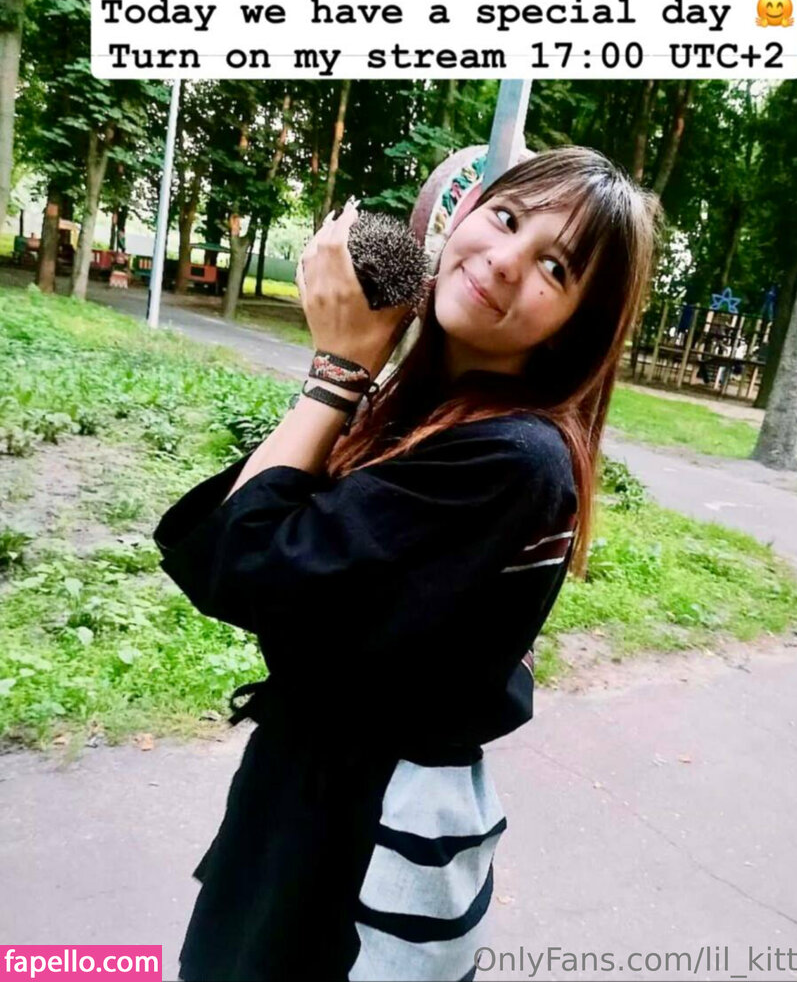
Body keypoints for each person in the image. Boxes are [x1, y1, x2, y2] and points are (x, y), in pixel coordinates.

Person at [153, 145, 662, 982]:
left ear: (580, 323)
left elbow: (242, 563)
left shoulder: (513, 459)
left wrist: (338, 373)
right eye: (506, 218)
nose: (505, 261)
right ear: (460, 220)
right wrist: (356, 371)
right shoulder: (430, 410)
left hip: (357, 841)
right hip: (301, 803)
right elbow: (224, 539)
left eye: (555, 267)